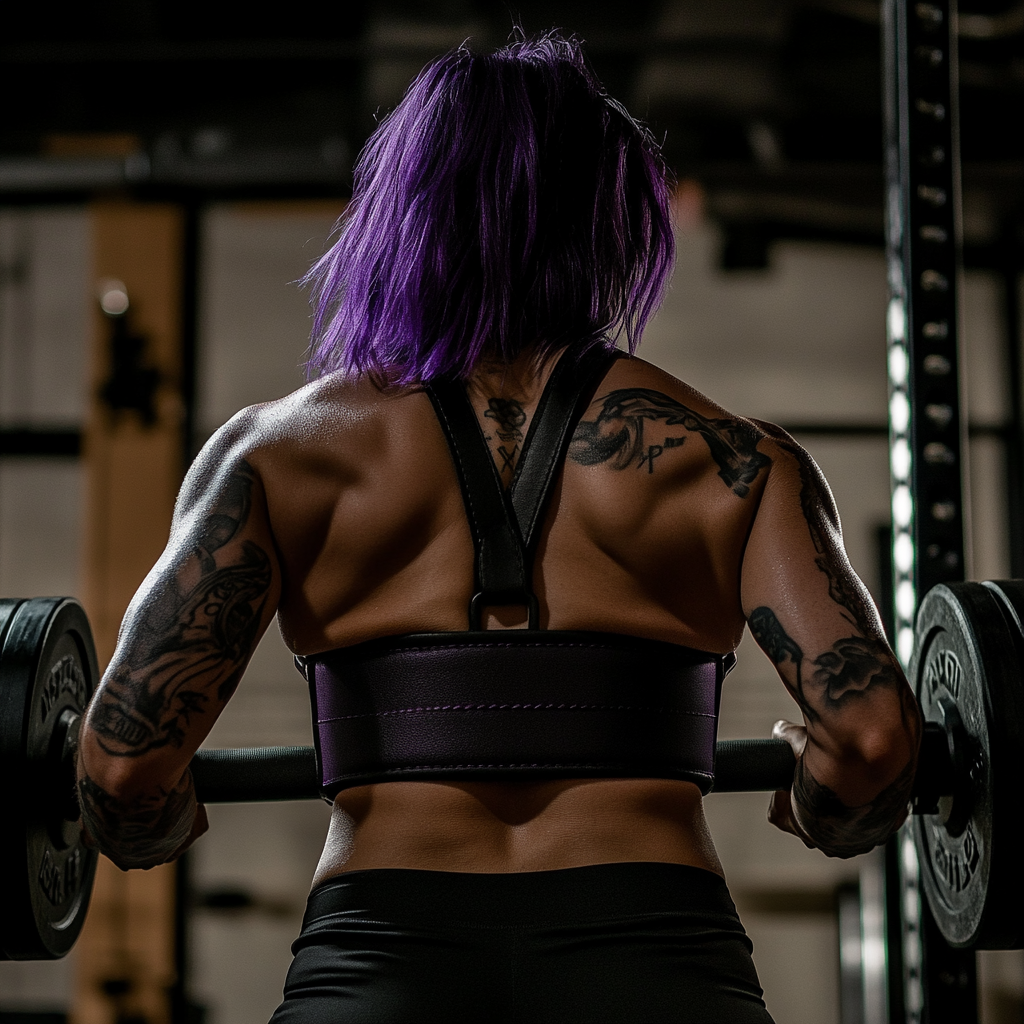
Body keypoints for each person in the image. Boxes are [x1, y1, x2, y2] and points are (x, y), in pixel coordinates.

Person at [76, 31, 921, 1024]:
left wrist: (156, 817)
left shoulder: (277, 455)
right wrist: (826, 802)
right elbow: (869, 736)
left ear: (404, 213)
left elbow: (124, 763)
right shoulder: (730, 459)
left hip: (381, 960)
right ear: (605, 221)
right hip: (652, 958)